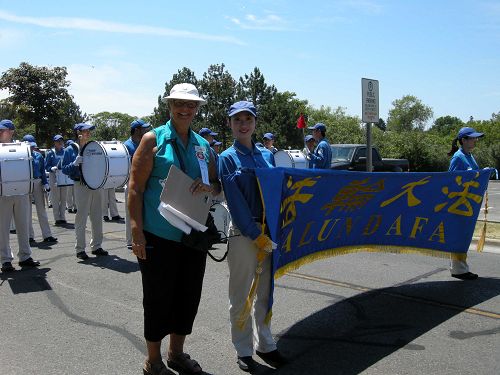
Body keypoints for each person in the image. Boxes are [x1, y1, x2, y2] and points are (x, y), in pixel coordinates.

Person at [128, 83, 221, 375]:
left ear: (197, 109)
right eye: (179, 103)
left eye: (191, 105)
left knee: (187, 296)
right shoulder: (152, 140)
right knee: (157, 298)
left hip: (192, 237)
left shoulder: (204, 146)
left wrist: (211, 187)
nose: (185, 109)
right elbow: (134, 188)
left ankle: (176, 354)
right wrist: (136, 230)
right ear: (169, 106)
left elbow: (218, 187)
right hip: (159, 235)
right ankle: (153, 361)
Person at [218, 101, 286, 372]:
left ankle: (266, 344)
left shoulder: (266, 156)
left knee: (266, 293)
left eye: (248, 119)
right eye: (237, 120)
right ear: (230, 124)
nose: (243, 124)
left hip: (270, 233)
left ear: (255, 123)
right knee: (242, 295)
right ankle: (243, 349)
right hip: (245, 235)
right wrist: (256, 234)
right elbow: (235, 202)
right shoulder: (227, 158)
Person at [61, 123, 108, 260]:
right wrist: (75, 163)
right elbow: (64, 169)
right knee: (81, 217)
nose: (88, 133)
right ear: (78, 133)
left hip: (95, 185)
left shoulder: (94, 146)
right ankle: (80, 248)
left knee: (97, 216)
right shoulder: (70, 149)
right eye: (85, 131)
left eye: (89, 131)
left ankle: (97, 246)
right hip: (80, 184)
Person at [0, 120, 40, 272]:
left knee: (23, 225)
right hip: (3, 192)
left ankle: (25, 256)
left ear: (11, 132)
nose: (0, 133)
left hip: (21, 190)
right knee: (3, 229)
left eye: (3, 130)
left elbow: (34, 168)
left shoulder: (22, 148)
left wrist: (31, 153)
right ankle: (5, 260)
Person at [447, 126, 484, 280]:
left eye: (476, 138)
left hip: (466, 201)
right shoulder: (458, 157)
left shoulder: (469, 155)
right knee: (459, 235)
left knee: (463, 235)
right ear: (463, 140)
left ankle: (460, 268)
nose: (475, 140)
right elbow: (450, 180)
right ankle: (459, 269)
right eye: (472, 138)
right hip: (458, 203)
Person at [23, 135, 58, 244]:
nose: (32, 148)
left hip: (37, 182)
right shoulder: (22, 156)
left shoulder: (38, 156)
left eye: (33, 146)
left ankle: (47, 235)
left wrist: (45, 183)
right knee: (26, 211)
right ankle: (29, 236)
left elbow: (42, 171)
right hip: (26, 183)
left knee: (41, 210)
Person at [123, 119, 151, 247]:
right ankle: (130, 240)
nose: (146, 131)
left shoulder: (143, 144)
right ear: (136, 130)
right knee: (131, 212)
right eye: (144, 128)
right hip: (131, 183)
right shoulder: (126, 146)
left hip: (144, 183)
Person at [45, 134, 69, 225]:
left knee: (63, 198)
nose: (60, 142)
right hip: (54, 176)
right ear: (54, 142)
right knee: (55, 198)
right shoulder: (51, 152)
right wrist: (51, 168)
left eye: (61, 141)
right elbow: (46, 166)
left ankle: (62, 216)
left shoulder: (65, 151)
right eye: (58, 141)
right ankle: (57, 218)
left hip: (64, 176)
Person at [64, 139, 77, 213]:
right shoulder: (67, 151)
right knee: (69, 192)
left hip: (74, 174)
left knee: (74, 192)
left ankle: (75, 206)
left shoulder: (76, 151)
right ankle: (70, 206)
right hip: (69, 174)